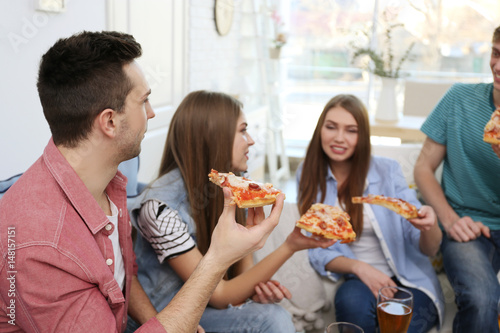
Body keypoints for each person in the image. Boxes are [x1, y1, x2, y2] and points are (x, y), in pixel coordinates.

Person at [0, 31, 286, 333]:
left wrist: (172, 322)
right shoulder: (42, 245)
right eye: (144, 100)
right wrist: (217, 259)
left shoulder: (111, 184)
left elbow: (123, 276)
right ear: (110, 122)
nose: (151, 113)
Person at [127, 90, 336, 333]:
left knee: (271, 314)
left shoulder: (233, 186)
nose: (251, 140)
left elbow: (236, 287)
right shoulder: (159, 209)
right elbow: (220, 295)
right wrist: (290, 245)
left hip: (206, 307)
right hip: (167, 315)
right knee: (272, 319)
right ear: (213, 137)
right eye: (242, 131)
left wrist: (250, 254)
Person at [297, 94, 445, 332]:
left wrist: (431, 225)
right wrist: (360, 268)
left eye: (351, 130)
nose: (339, 138)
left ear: (362, 136)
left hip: (409, 279)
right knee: (352, 312)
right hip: (357, 280)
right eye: (331, 127)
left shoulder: (389, 171)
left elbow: (428, 248)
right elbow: (316, 247)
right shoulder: (308, 173)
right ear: (320, 129)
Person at [414, 25, 500, 333]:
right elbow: (423, 168)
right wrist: (449, 220)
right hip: (465, 225)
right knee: (480, 299)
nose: (498, 66)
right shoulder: (458, 99)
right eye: (496, 53)